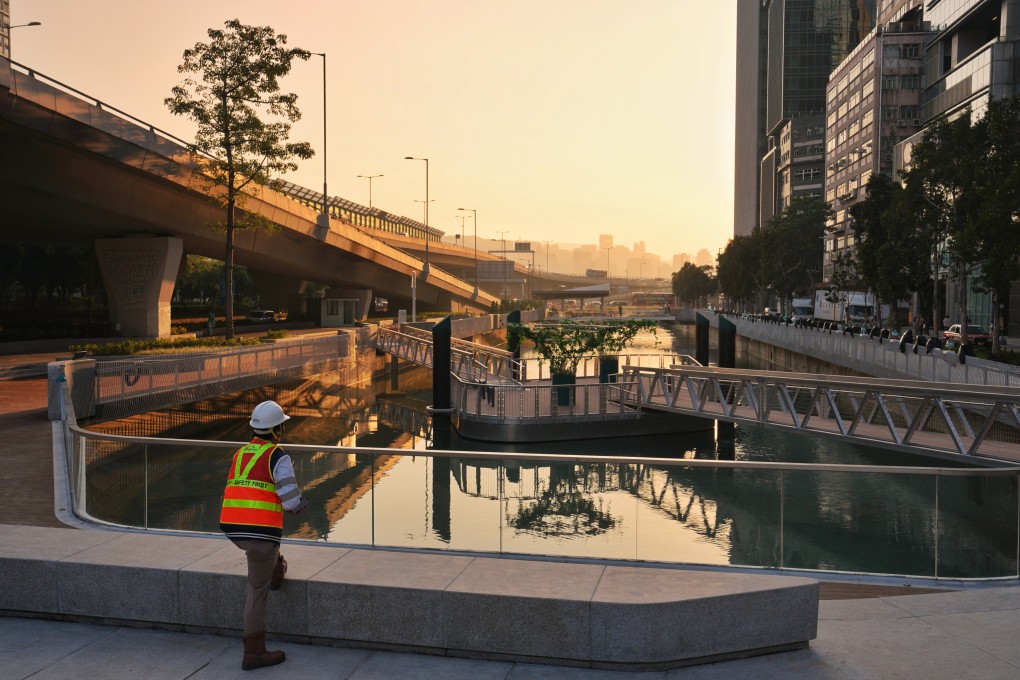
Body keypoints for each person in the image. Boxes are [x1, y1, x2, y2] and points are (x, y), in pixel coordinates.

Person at [220, 400, 308, 671]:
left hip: (233, 526)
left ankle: (276, 570)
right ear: (277, 430)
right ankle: (254, 652)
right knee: (257, 590)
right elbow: (290, 502)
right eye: (282, 425)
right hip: (258, 531)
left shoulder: (241, 453)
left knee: (266, 553)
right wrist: (300, 503)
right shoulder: (278, 456)